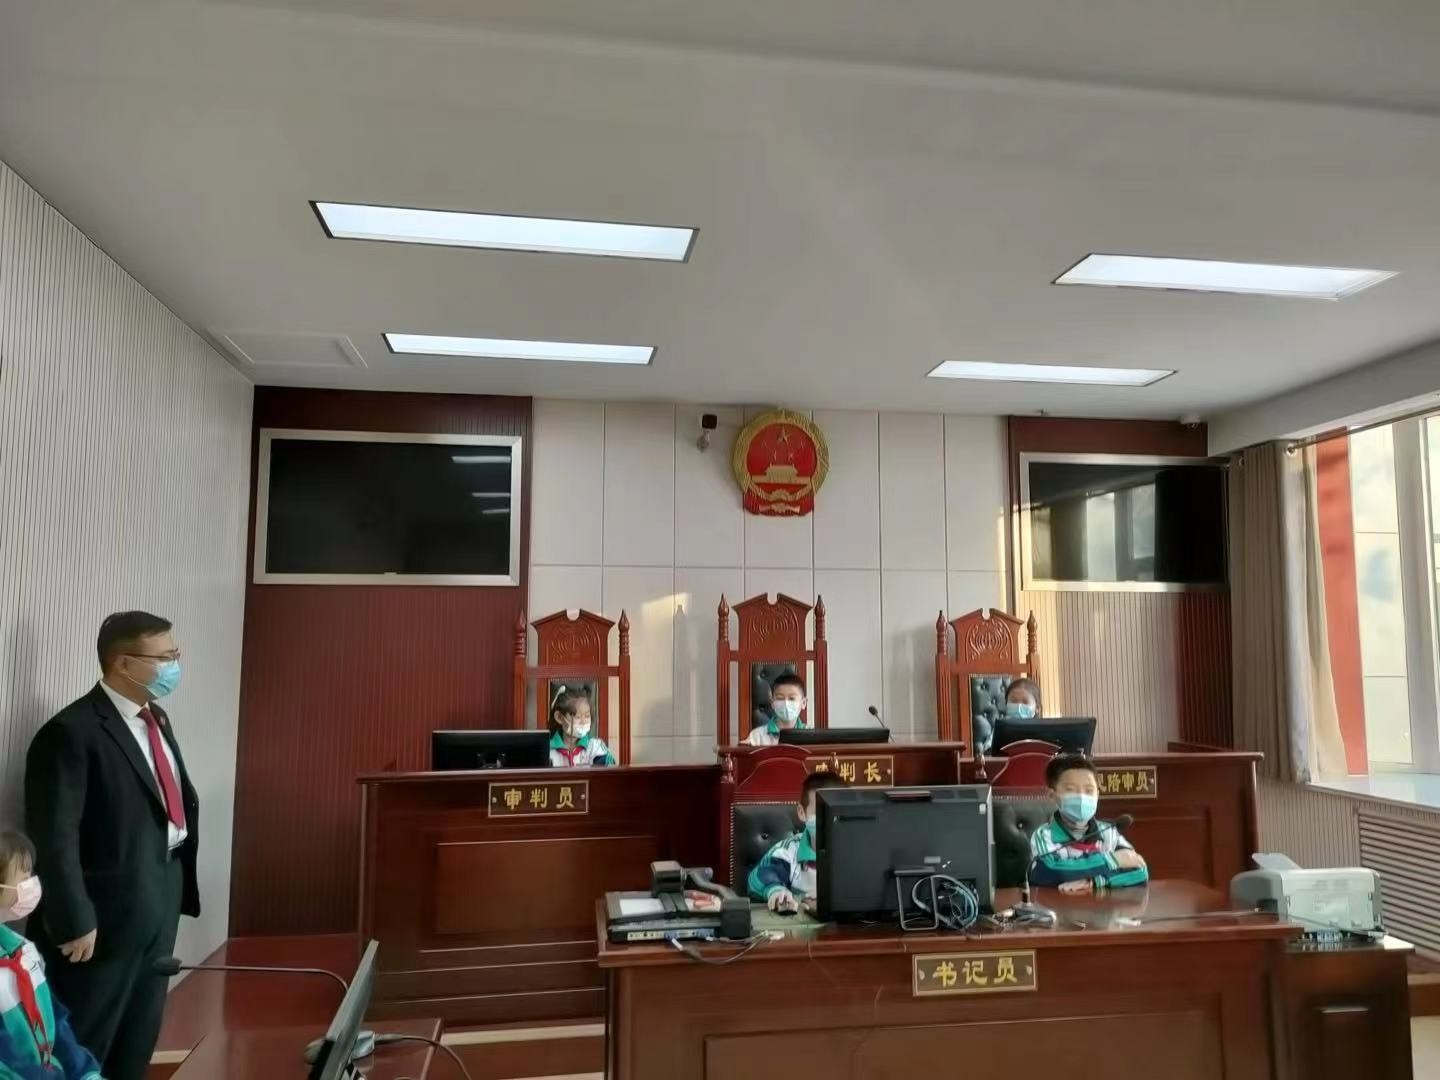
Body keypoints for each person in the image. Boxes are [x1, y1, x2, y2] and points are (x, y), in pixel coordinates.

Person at [24, 612, 200, 1080]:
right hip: (102, 917)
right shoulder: (71, 732)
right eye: (164, 656)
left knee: (139, 1035)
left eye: (175, 653)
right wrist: (73, 918)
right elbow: (55, 837)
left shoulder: (155, 717)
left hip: (160, 892)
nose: (174, 664)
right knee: (89, 1038)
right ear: (123, 663)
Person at [0, 830, 105, 1080]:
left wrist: (85, 1073)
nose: (31, 883)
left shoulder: (23, 951)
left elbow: (56, 1023)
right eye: (23, 875)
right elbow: (8, 1062)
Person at [1028, 753, 1147, 895]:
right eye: (1071, 790)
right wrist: (1111, 860)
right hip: (1057, 905)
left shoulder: (1108, 832)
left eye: (1089, 790)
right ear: (1053, 795)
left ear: (1098, 795)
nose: (1081, 797)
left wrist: (1095, 882)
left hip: (1100, 905)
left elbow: (1140, 871)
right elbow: (1050, 870)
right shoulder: (1043, 835)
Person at [747, 771, 847, 913]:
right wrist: (776, 891)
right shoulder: (786, 852)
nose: (829, 819)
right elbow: (756, 880)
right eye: (819, 811)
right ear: (801, 812)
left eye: (836, 811)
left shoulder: (859, 850)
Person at [547, 686, 613, 767]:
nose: (583, 721)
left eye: (587, 716)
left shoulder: (595, 747)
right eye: (577, 717)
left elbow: (607, 772)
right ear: (559, 717)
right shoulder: (546, 748)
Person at [744, 672, 808, 747]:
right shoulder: (756, 736)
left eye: (791, 698)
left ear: (803, 703)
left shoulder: (810, 735)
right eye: (780, 698)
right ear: (772, 703)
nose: (786, 703)